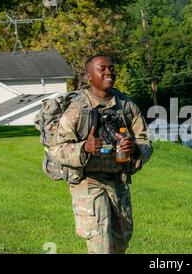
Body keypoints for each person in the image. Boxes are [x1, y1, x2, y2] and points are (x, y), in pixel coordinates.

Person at [49, 54, 152, 254]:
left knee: (120, 243)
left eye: (111, 68)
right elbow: (56, 148)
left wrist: (135, 149)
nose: (109, 72)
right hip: (88, 181)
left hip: (118, 180)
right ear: (89, 77)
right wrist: (83, 148)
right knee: (100, 245)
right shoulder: (78, 109)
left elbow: (145, 140)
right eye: (102, 69)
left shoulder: (126, 106)